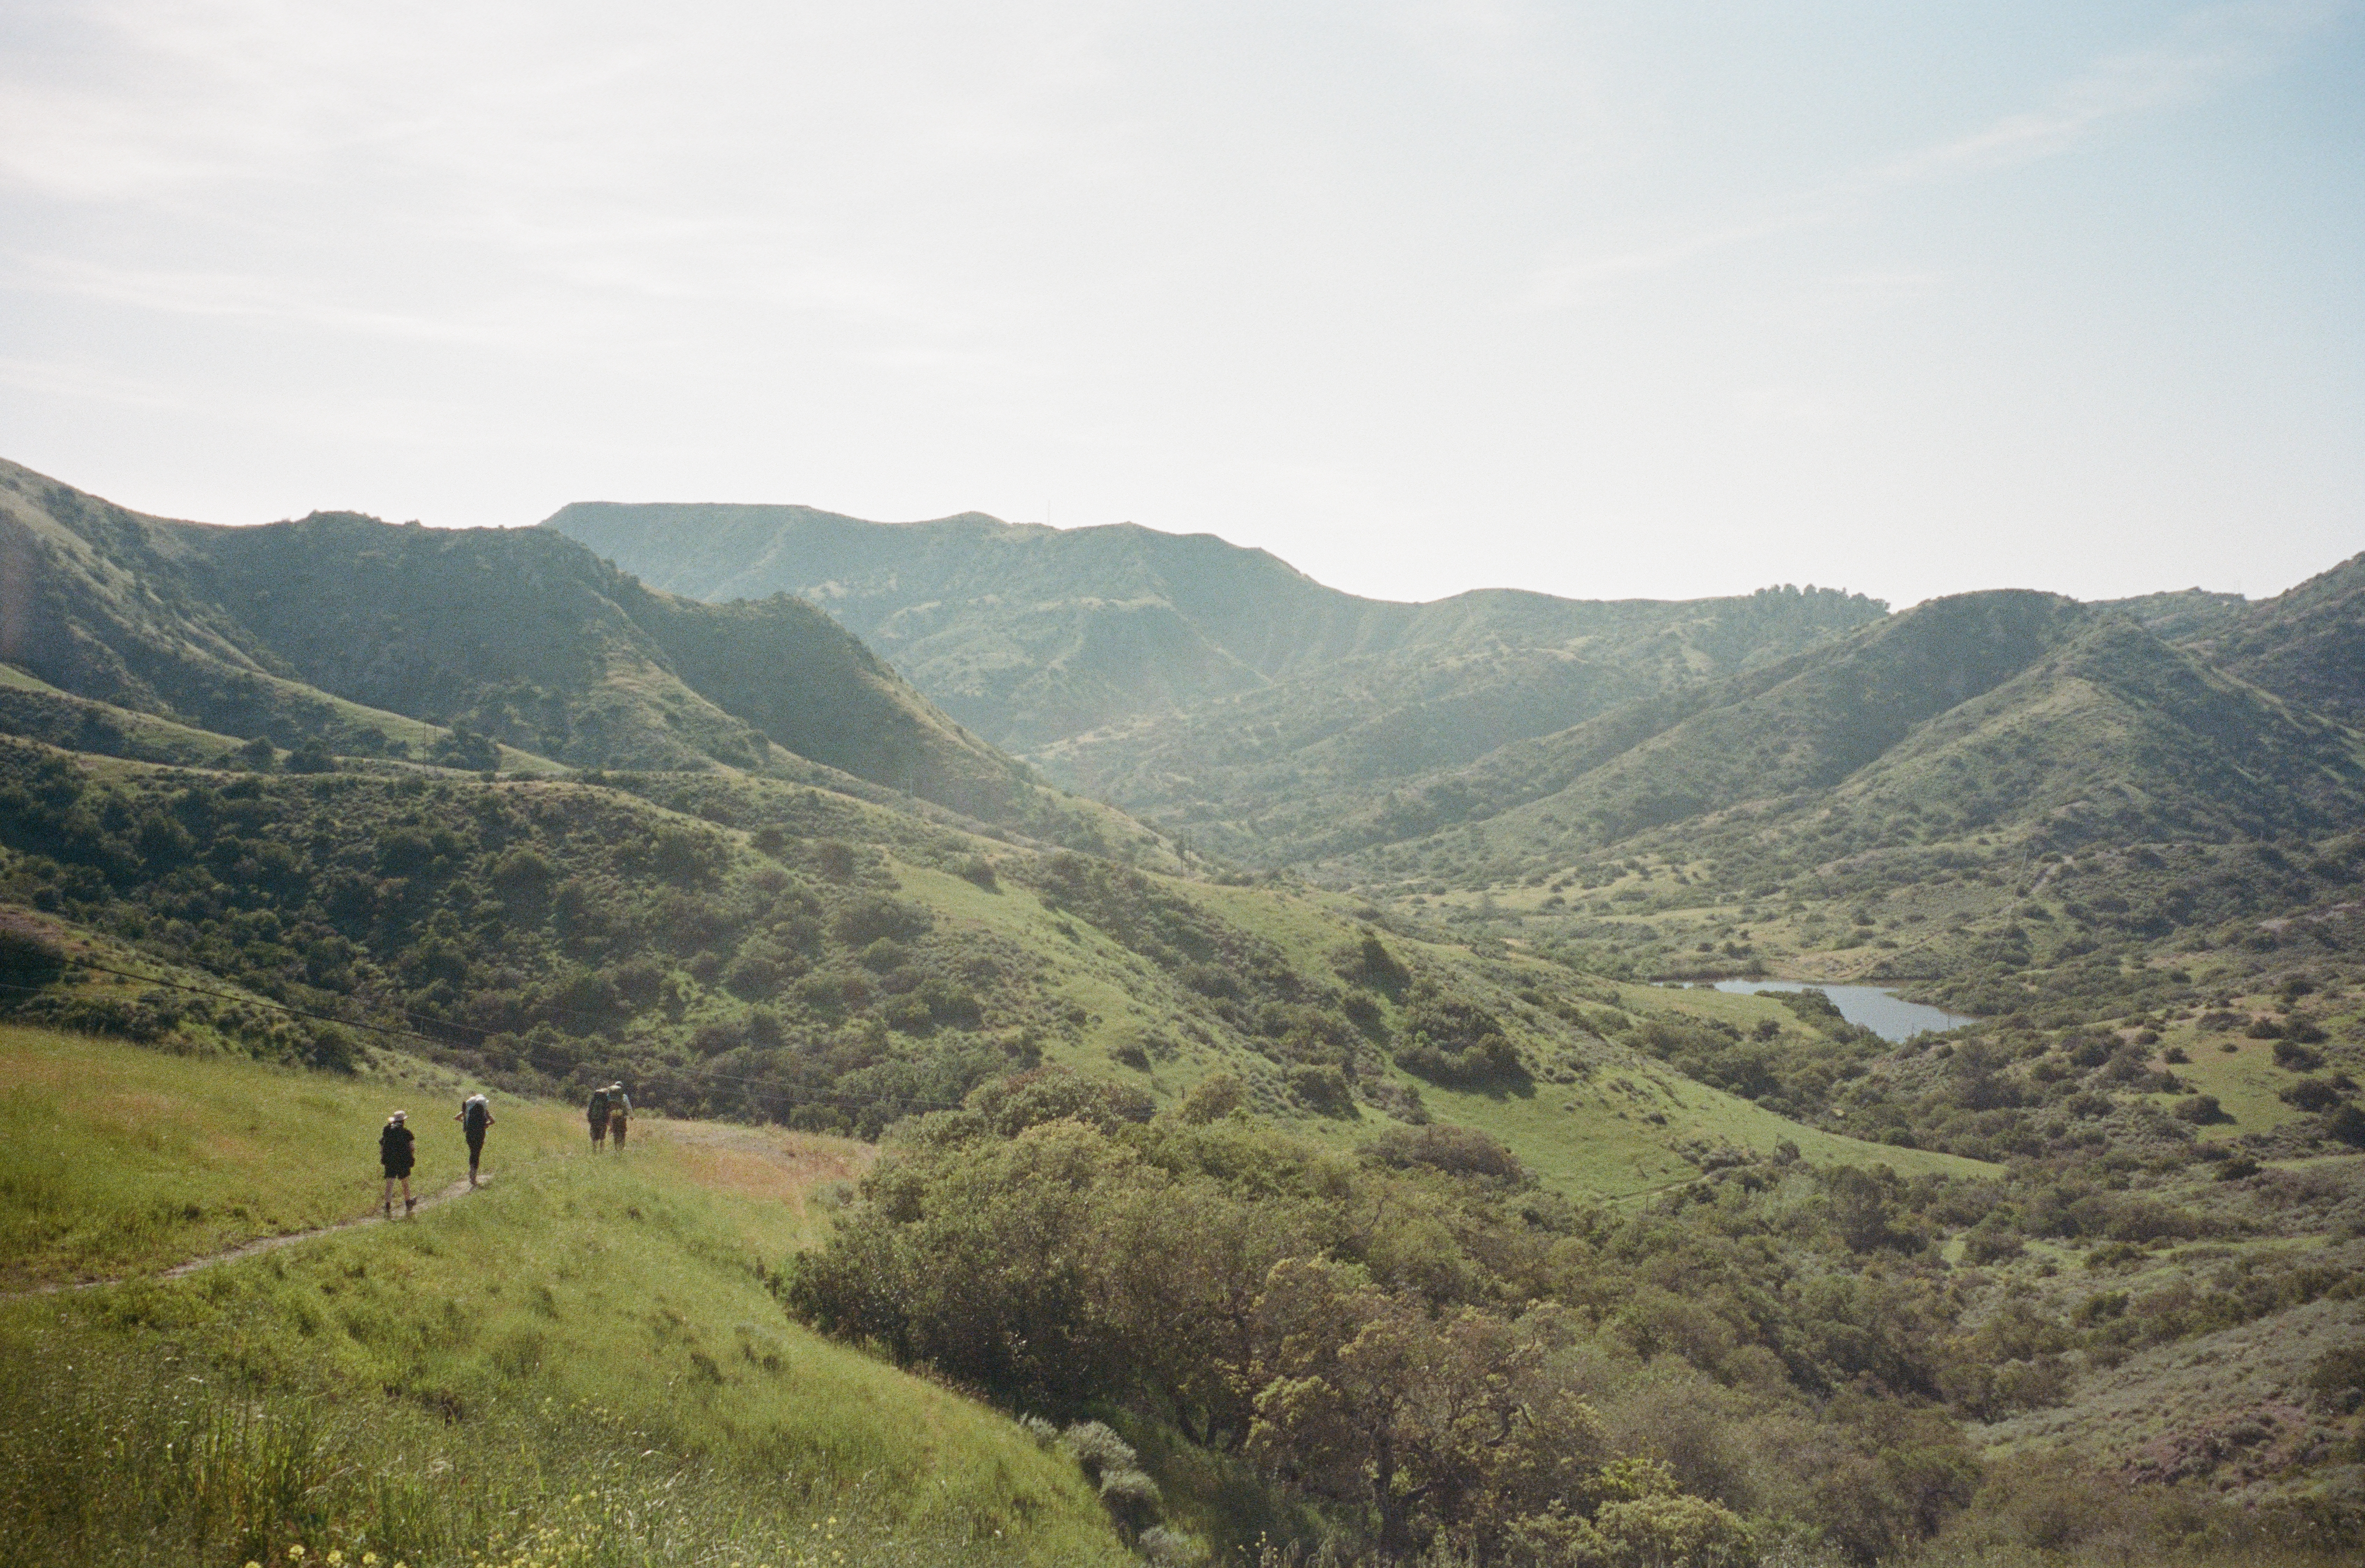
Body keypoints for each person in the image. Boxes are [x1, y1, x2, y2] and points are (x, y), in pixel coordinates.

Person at [380, 1110, 416, 1217]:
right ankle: (408, 1202)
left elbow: (382, 1148)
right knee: (405, 1182)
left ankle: (387, 1205)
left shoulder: (387, 1132)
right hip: (403, 1161)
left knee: (390, 1182)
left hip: (390, 1161)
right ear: (404, 1121)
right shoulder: (407, 1133)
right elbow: (413, 1148)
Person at [455, 1092, 494, 1187]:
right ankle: (473, 1177)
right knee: (477, 1154)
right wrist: (486, 1125)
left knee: (472, 1152)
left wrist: (466, 1123)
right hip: (480, 1134)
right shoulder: (484, 1110)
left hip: (470, 1134)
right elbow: (493, 1121)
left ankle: (471, 1175)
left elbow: (457, 1118)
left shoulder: (468, 1109)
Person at [607, 1083, 632, 1150]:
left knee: (615, 1131)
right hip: (622, 1117)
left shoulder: (609, 1096)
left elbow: (607, 1107)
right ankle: (622, 1147)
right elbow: (628, 1107)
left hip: (614, 1116)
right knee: (623, 1131)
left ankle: (616, 1147)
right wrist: (631, 1116)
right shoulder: (624, 1096)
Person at [587, 1084, 611, 1149]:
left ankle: (594, 1150)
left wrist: (589, 1119)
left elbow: (589, 1110)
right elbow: (608, 1111)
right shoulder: (606, 1099)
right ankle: (602, 1151)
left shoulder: (594, 1100)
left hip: (594, 1120)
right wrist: (608, 1121)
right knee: (602, 1137)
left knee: (594, 1137)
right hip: (603, 1120)